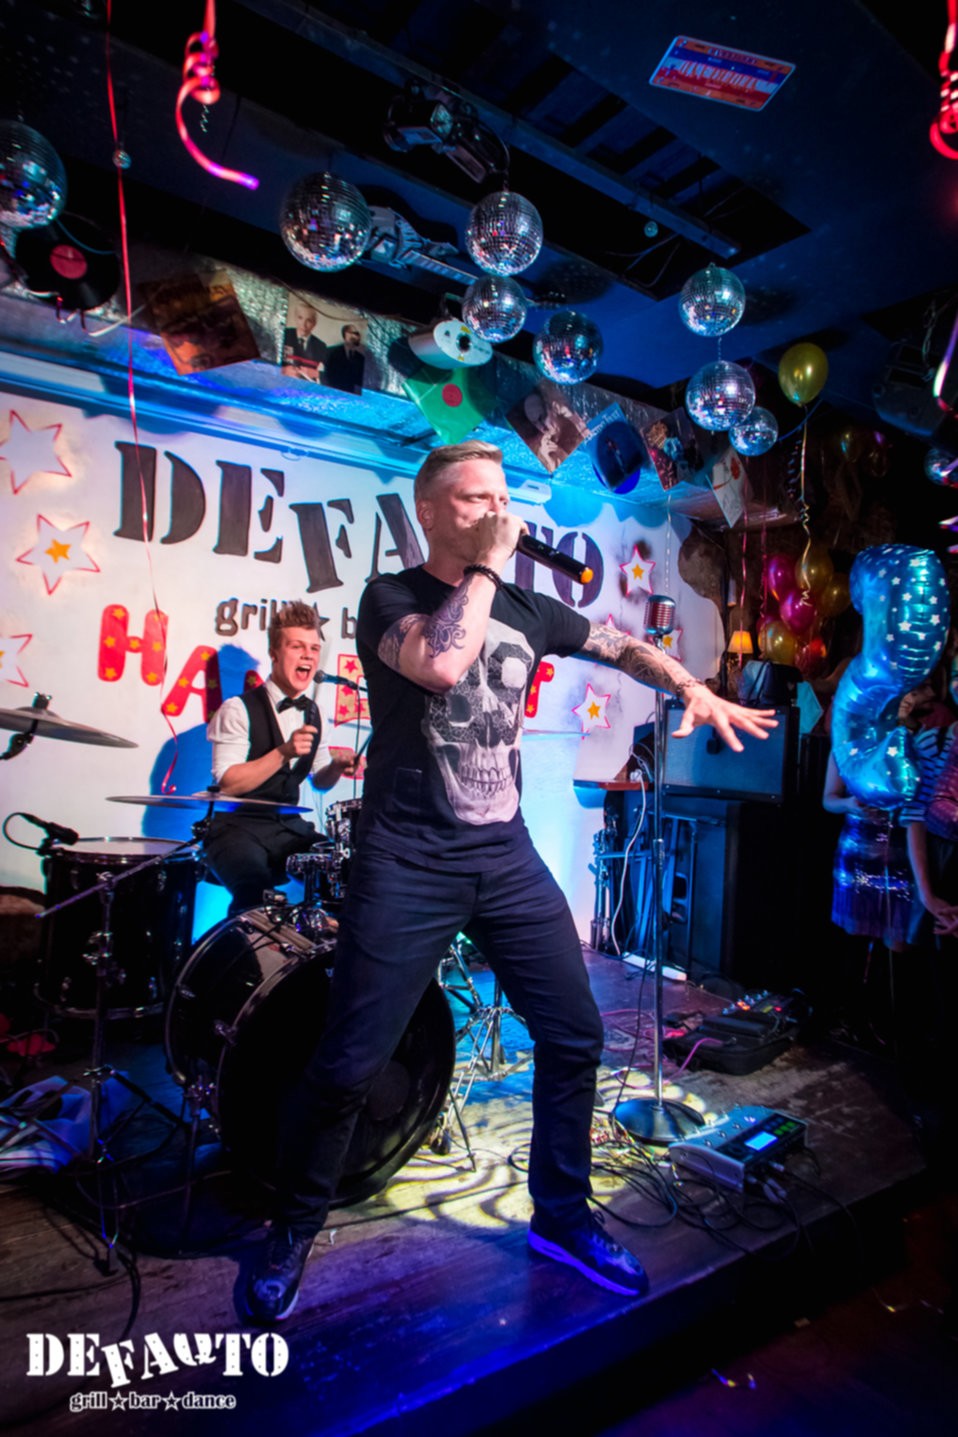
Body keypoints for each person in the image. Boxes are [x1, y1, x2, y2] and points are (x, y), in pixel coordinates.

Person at [244, 440, 777, 1323]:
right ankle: (292, 1227)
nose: (497, 511)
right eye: (474, 499)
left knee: (574, 1033)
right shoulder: (390, 599)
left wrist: (693, 684)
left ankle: (560, 1216)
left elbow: (618, 645)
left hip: (503, 856)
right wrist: (489, 567)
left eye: (501, 497)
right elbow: (442, 663)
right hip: (406, 859)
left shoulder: (529, 606)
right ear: (428, 512)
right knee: (348, 1063)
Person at [203, 603, 359, 916]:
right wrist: (283, 752)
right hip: (236, 828)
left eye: (314, 648)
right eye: (296, 647)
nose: (308, 656)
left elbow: (319, 781)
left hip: (288, 828)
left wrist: (336, 767)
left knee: (350, 875)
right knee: (255, 895)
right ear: (274, 653)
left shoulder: (315, 712)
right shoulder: (237, 709)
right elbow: (229, 782)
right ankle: (243, 946)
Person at [281, 299, 327, 381]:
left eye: (309, 320)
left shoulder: (321, 346)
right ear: (295, 318)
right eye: (300, 318)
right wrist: (283, 370)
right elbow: (265, 363)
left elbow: (333, 375)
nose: (303, 324)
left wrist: (316, 373)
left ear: (314, 323)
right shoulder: (283, 334)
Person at [322, 323, 366, 394]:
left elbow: (359, 380)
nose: (355, 336)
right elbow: (325, 375)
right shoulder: (331, 352)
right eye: (352, 333)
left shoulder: (361, 358)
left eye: (357, 334)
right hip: (330, 393)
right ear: (344, 334)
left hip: (349, 395)